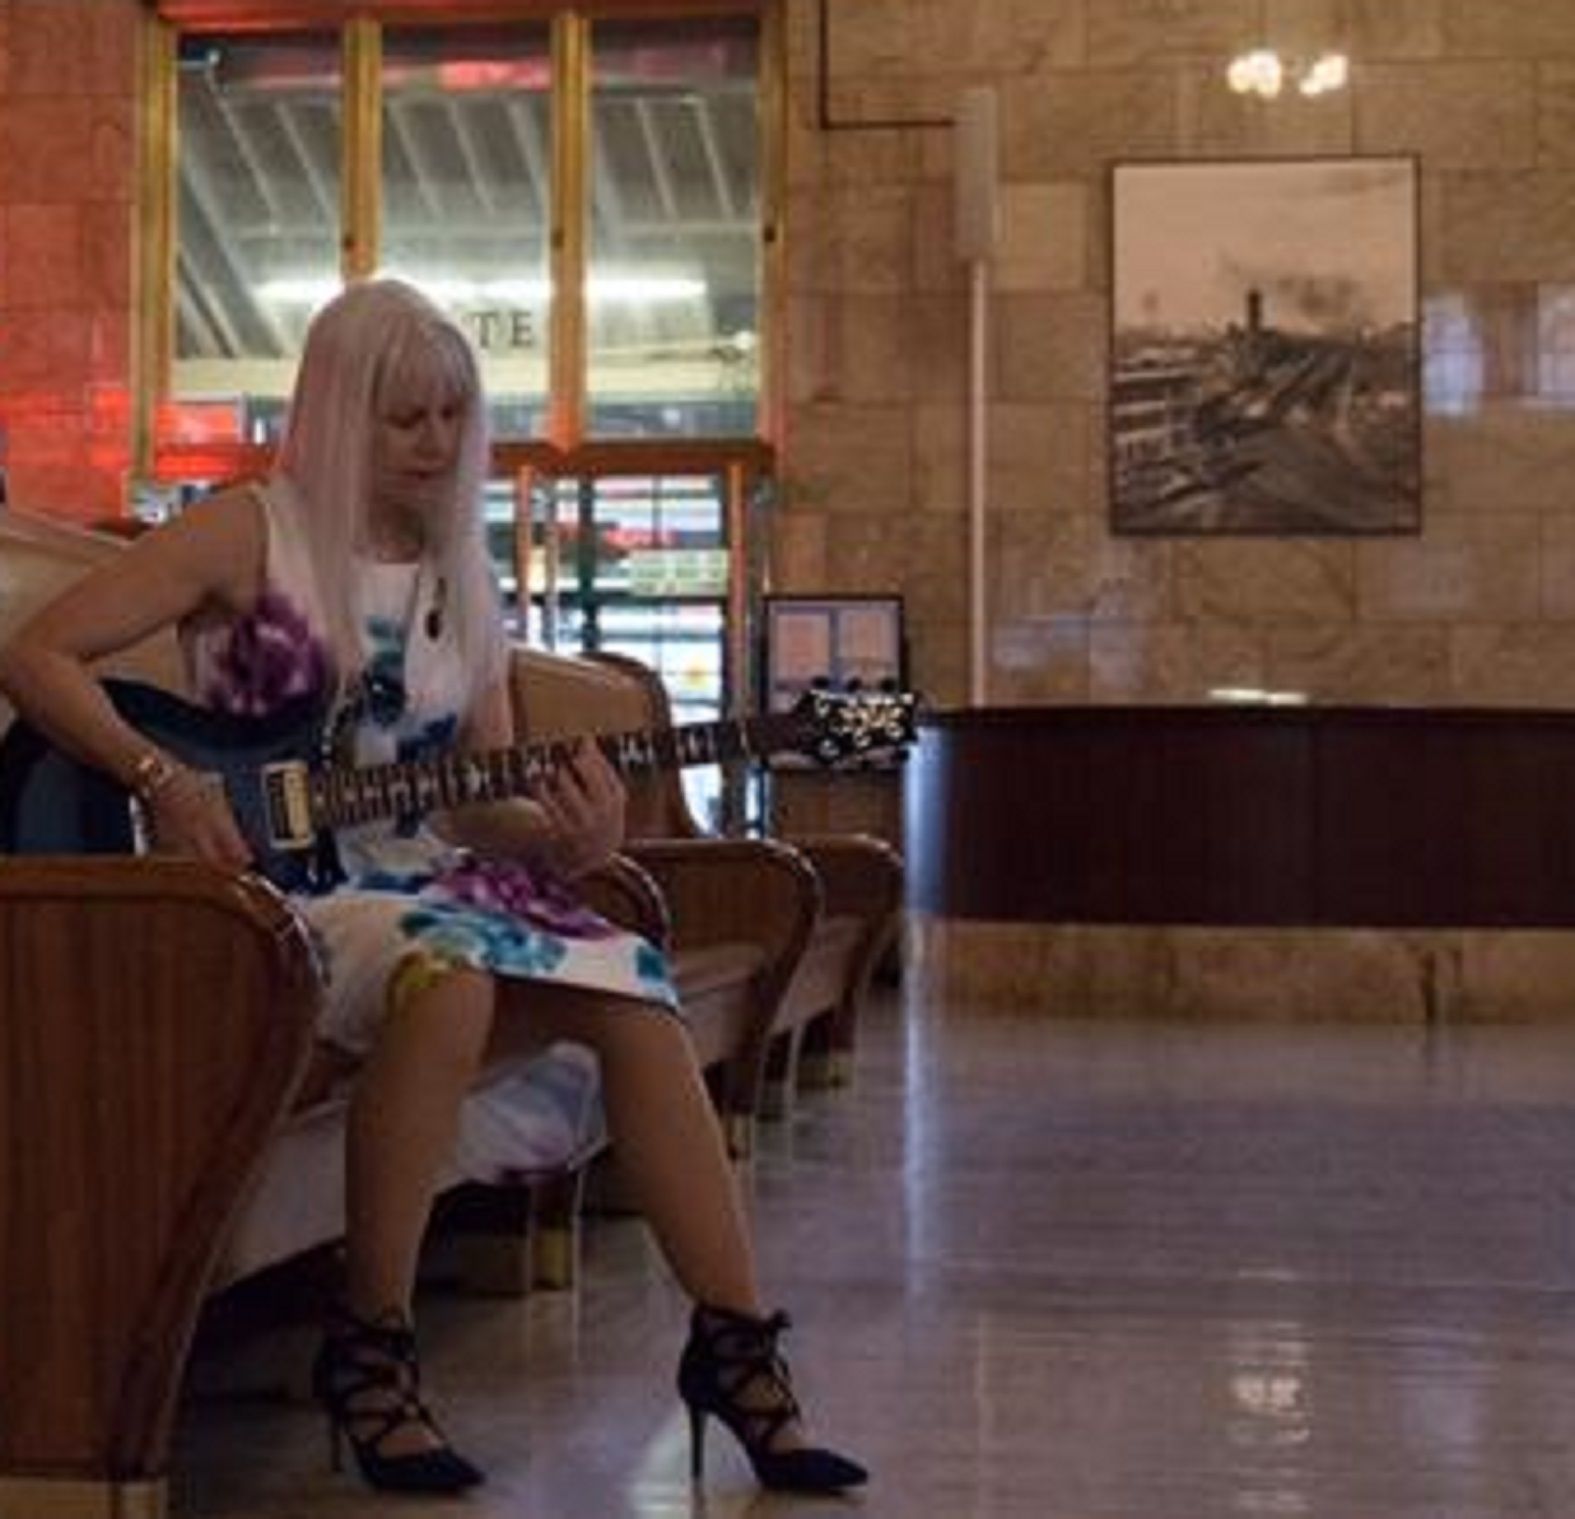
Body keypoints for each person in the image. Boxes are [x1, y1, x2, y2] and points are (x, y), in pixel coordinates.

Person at [0, 279, 865, 1498]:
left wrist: (573, 835)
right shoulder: (252, 532)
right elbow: (36, 653)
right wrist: (164, 779)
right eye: (405, 416)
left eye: (454, 415)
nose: (435, 442)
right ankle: (373, 1344)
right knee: (446, 977)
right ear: (340, 410)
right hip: (270, 893)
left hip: (417, 876)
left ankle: (736, 1346)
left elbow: (474, 799)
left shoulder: (462, 573)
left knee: (634, 985)